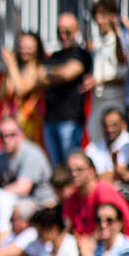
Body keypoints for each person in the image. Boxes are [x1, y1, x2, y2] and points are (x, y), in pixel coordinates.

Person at [39, 14, 94, 163]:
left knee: (71, 166)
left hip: (71, 120)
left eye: (67, 32)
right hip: (50, 120)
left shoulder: (82, 54)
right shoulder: (54, 56)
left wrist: (49, 73)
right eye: (60, 32)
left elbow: (67, 73)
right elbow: (38, 77)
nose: (63, 36)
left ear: (77, 31)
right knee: (56, 170)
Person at [61, 152, 129, 238]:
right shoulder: (71, 201)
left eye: (79, 170)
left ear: (92, 171)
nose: (74, 174)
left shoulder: (104, 194)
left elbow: (115, 231)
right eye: (70, 170)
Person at [86, 0, 128, 145]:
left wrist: (98, 81)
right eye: (96, 16)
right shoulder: (98, 42)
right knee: (95, 137)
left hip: (115, 99)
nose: (98, 20)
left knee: (117, 140)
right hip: (98, 100)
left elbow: (123, 75)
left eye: (103, 16)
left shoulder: (121, 40)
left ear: (112, 16)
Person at [0, 116, 55, 202]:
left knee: (17, 209)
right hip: (17, 200)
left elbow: (23, 188)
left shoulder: (32, 153)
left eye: (11, 134)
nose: (6, 139)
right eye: (2, 136)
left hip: (41, 204)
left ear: (21, 134)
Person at [2, 31, 46, 146]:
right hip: (14, 121)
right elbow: (5, 93)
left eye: (29, 47)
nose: (24, 50)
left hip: (31, 123)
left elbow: (21, 90)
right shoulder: (16, 69)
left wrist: (11, 65)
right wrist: (9, 68)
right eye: (22, 47)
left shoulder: (39, 70)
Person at [85, 108, 129, 191]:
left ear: (123, 124)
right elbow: (86, 177)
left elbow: (128, 176)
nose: (109, 129)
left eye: (114, 125)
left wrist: (99, 177)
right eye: (106, 125)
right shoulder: (92, 148)